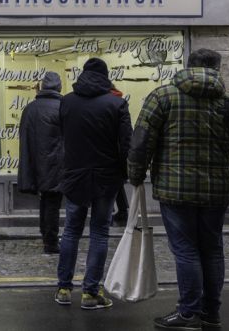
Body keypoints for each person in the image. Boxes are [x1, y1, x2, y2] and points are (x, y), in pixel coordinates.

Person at [128, 49, 229, 330]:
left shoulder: (163, 96)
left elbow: (141, 140)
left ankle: (188, 312)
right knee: (213, 249)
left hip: (174, 188)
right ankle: (211, 313)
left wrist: (135, 174)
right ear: (217, 68)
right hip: (216, 189)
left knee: (186, 249)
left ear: (188, 65)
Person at [54, 57, 132, 310]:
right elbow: (126, 145)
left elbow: (62, 137)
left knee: (71, 231)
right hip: (106, 177)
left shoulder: (66, 101)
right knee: (99, 232)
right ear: (106, 76)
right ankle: (90, 292)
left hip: (75, 175)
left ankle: (64, 288)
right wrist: (125, 173)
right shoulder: (117, 104)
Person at [17, 71, 64, 254]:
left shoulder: (30, 108)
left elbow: (24, 137)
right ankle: (51, 242)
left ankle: (45, 233)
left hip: (36, 162)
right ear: (59, 87)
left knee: (45, 200)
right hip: (55, 163)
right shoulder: (62, 107)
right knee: (53, 202)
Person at [109, 85, 129, 226]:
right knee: (117, 183)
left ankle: (111, 212)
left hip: (109, 149)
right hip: (119, 150)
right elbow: (127, 132)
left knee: (112, 184)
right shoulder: (120, 101)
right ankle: (123, 210)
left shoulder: (106, 102)